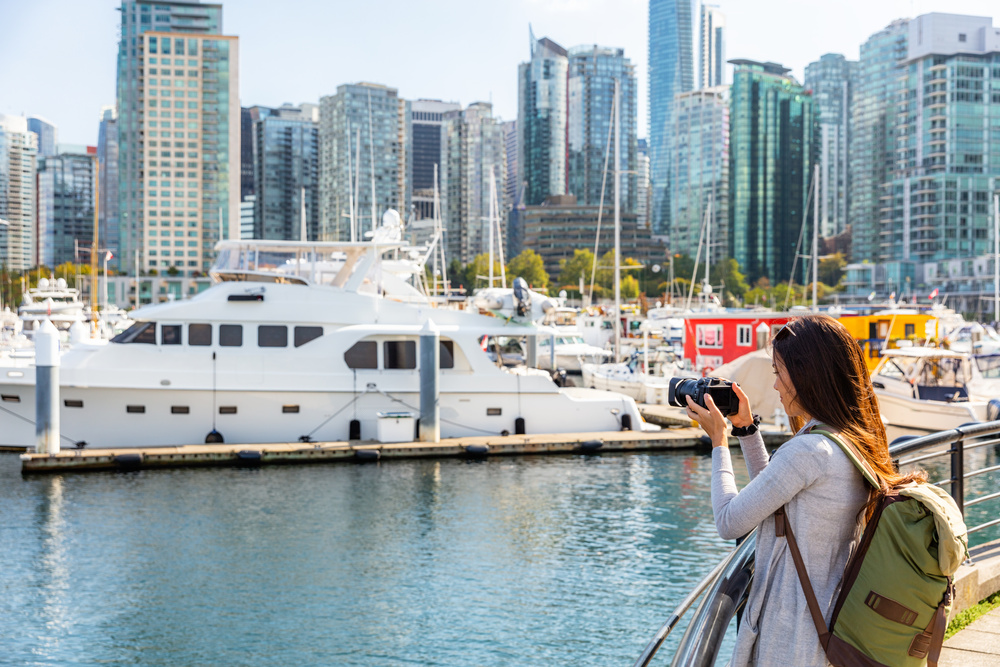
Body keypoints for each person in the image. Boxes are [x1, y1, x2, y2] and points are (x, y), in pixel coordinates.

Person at [684, 314, 925, 667]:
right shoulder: (848, 436)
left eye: (779, 373)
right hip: (827, 622)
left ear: (807, 375)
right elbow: (776, 492)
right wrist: (747, 430)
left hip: (792, 636)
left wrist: (719, 442)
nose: (776, 386)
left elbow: (729, 522)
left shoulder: (810, 450)